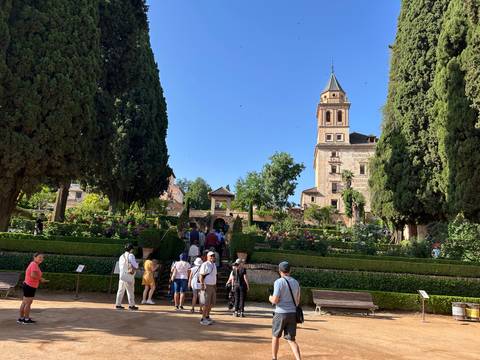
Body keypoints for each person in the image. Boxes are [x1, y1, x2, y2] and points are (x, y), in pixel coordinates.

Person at [269, 261, 302, 360]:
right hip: (292, 313)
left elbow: (275, 300)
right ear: (290, 270)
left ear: (280, 271)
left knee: (275, 336)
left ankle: (274, 358)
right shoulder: (296, 282)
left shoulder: (278, 282)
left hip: (280, 313)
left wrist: (270, 298)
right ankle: (298, 359)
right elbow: (297, 300)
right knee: (291, 339)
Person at [18, 252, 49, 324]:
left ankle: (21, 318)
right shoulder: (34, 264)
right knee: (28, 303)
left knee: (24, 302)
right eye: (39, 257)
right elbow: (33, 275)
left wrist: (40, 279)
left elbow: (32, 275)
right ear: (34, 257)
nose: (41, 259)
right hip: (30, 286)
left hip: (28, 285)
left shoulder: (33, 264)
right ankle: (26, 319)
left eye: (42, 257)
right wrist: (41, 279)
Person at [116, 244, 139, 311]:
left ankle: (118, 304)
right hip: (129, 275)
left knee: (120, 290)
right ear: (131, 249)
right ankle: (131, 305)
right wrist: (138, 265)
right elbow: (135, 265)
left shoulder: (121, 256)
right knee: (130, 291)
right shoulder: (131, 255)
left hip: (122, 275)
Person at [199, 251, 217, 325]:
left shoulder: (214, 265)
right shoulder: (205, 264)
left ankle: (207, 316)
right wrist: (202, 284)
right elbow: (201, 275)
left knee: (211, 303)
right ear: (207, 257)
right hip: (207, 285)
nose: (212, 257)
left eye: (213, 256)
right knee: (206, 303)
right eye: (211, 256)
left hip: (213, 286)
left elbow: (215, 275)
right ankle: (203, 319)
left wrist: (215, 285)